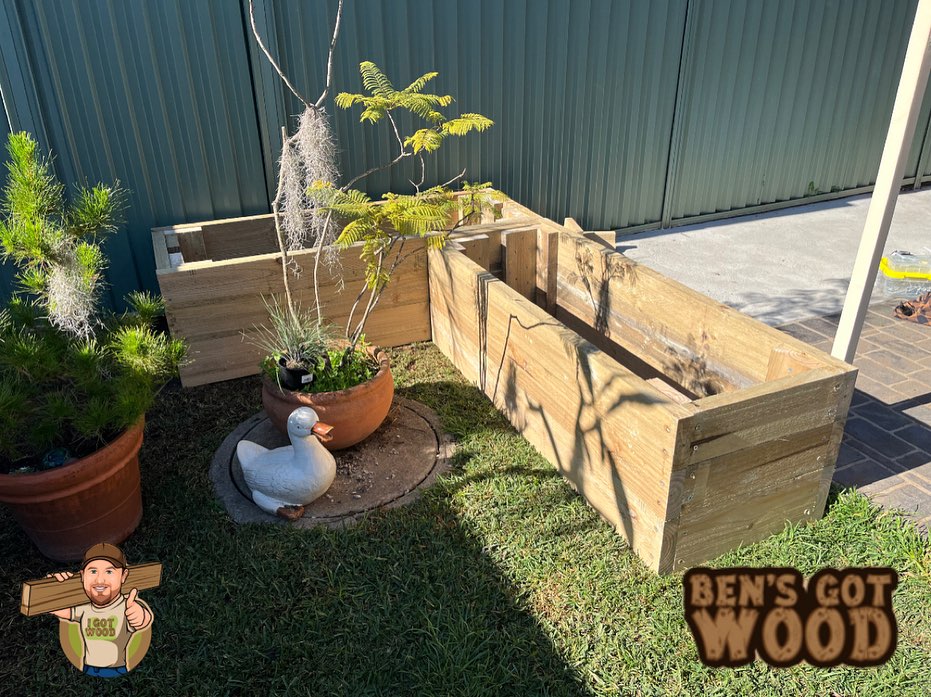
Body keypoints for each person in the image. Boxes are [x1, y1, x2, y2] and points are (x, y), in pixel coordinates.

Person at [48, 542, 153, 678]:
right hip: (87, 668)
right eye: (93, 571)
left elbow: (143, 620)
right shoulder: (84, 607)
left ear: (123, 576)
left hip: (116, 670)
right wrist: (52, 587)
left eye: (109, 571)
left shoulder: (125, 606)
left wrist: (140, 615)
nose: (100, 579)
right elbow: (58, 609)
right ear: (82, 576)